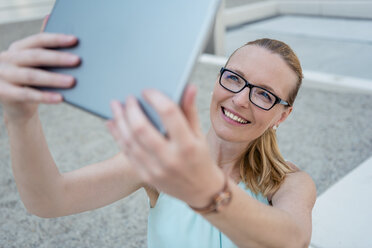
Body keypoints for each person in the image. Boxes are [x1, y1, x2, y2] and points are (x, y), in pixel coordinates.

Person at [0, 22, 316, 247]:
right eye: (234, 79)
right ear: (218, 80)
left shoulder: (290, 182)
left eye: (264, 95)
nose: (240, 99)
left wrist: (206, 190)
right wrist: (21, 118)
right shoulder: (160, 159)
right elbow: (49, 199)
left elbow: (292, 239)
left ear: (283, 115)